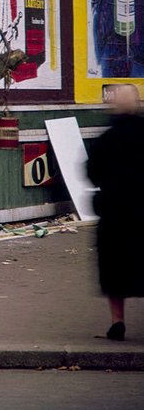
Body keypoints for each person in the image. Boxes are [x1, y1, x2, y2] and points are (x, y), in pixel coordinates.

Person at [86, 83, 144, 341]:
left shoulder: (105, 139)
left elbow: (91, 174)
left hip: (114, 212)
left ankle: (117, 321)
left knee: (114, 268)